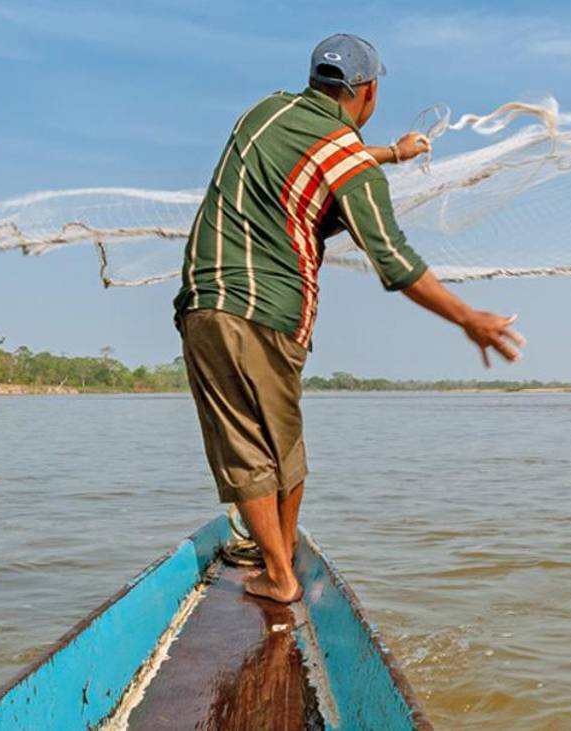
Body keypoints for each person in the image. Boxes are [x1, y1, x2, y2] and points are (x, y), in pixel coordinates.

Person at [173, 33, 524, 603]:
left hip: (209, 301)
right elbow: (392, 258)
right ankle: (283, 572)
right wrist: (467, 318)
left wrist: (391, 153)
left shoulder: (261, 113)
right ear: (368, 91)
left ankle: (277, 567)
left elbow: (319, 153)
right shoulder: (349, 161)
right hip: (277, 311)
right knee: (281, 446)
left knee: (243, 444)